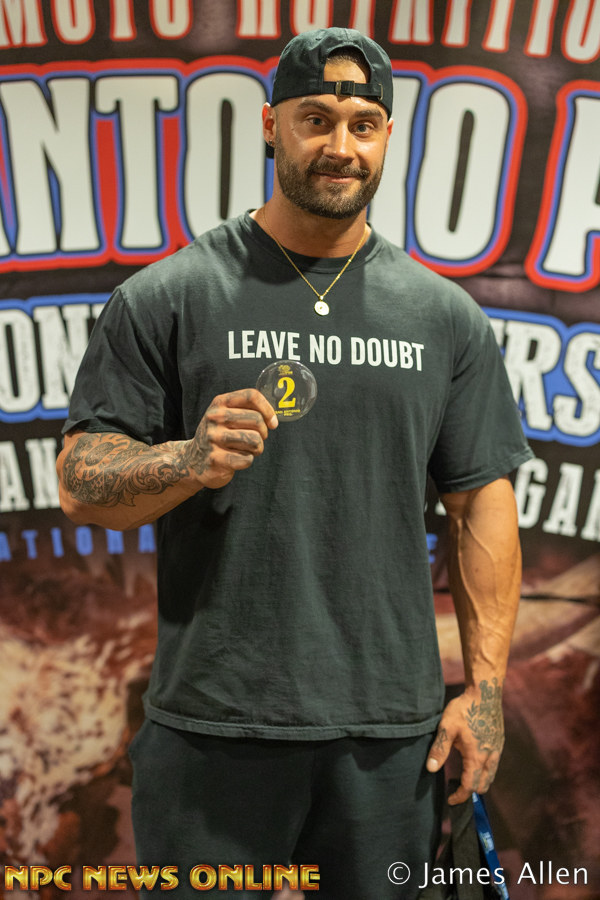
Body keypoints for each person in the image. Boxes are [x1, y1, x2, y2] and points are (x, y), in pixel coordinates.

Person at [57, 27, 532, 900]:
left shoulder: (444, 318)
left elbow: (480, 505)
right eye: (316, 119)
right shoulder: (171, 295)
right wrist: (188, 459)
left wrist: (487, 691)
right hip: (212, 731)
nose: (340, 146)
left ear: (388, 137)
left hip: (389, 739)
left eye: (363, 124)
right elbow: (82, 481)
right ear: (271, 125)